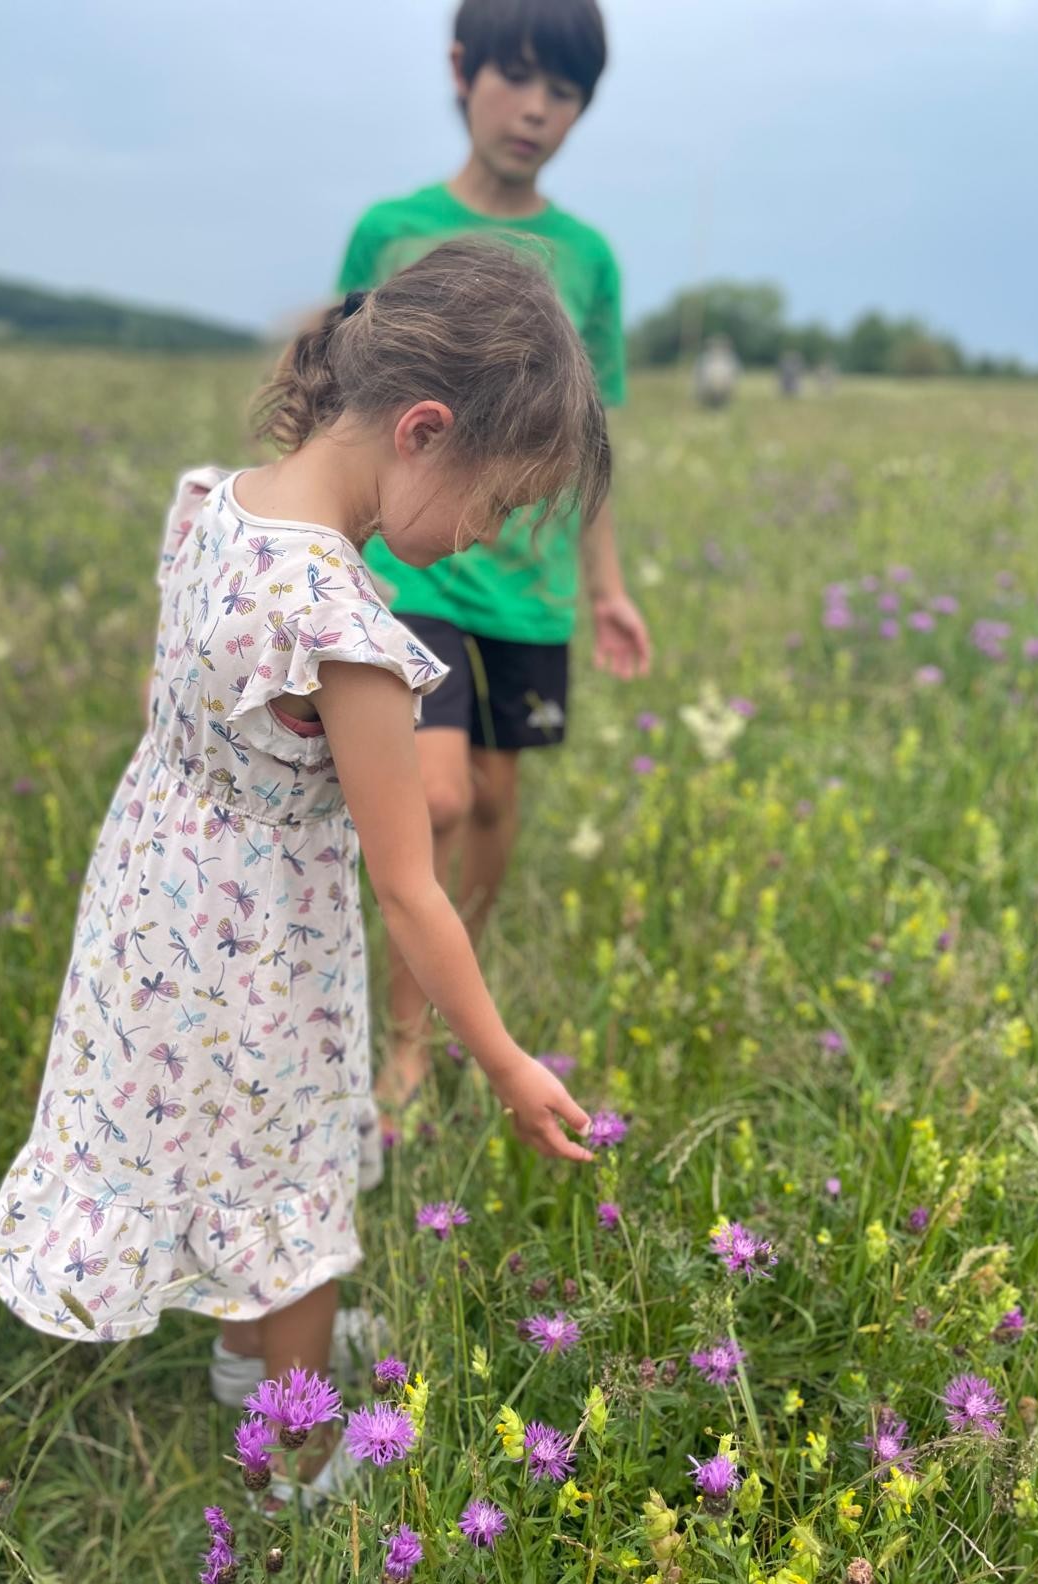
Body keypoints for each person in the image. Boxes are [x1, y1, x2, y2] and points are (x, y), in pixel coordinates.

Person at [0, 238, 604, 1498]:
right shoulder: (349, 632)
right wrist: (503, 1059)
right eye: (494, 504)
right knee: (294, 1180)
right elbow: (411, 883)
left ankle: (239, 1356)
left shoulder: (217, 501)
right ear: (422, 429)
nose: (484, 541)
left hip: (158, 902)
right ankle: (298, 1457)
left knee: (221, 1136)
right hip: (264, 946)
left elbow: (181, 696)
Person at [336, 0, 651, 1129]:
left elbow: (588, 447)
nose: (535, 110)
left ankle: (457, 983)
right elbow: (339, 403)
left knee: (497, 803)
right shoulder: (390, 230)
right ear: (460, 69)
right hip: (407, 572)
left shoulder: (591, 258)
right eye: (515, 78)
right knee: (438, 789)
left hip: (530, 585)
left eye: (562, 92)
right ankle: (410, 1041)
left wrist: (607, 586)